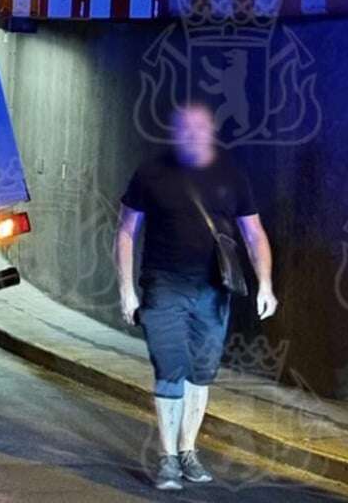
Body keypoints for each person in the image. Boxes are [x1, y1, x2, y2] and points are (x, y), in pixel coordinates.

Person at [113, 102, 278, 491]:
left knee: (201, 373)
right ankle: (168, 458)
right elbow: (125, 230)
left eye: (199, 127)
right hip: (163, 286)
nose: (192, 134)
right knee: (171, 367)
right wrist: (126, 289)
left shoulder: (231, 176)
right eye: (184, 128)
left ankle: (188, 450)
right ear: (174, 133)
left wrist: (265, 284)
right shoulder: (150, 174)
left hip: (213, 290)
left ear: (211, 132)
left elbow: (254, 235)